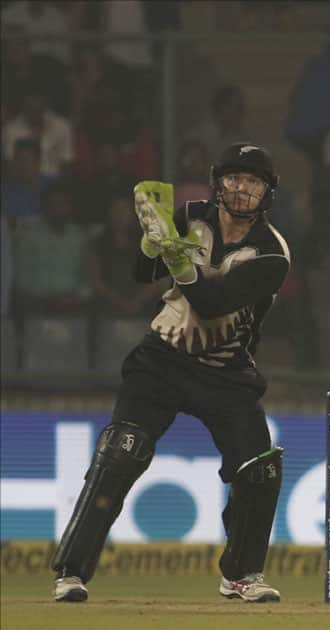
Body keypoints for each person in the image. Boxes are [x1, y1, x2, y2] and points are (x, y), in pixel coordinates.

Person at [50, 143, 291, 604]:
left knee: (259, 470)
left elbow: (214, 303)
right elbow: (143, 273)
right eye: (235, 179)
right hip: (161, 360)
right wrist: (151, 241)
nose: (242, 190)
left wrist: (179, 262)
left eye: (254, 182)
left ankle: (241, 575)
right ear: (218, 182)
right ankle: (70, 573)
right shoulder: (190, 215)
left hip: (226, 373)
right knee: (121, 453)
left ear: (268, 193)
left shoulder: (272, 255)